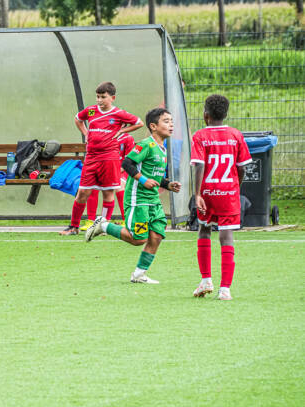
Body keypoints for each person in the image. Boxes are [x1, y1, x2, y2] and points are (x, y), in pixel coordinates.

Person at [85, 108, 182, 284]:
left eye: (171, 121)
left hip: (153, 200)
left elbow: (154, 174)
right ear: (153, 126)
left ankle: (139, 275)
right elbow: (127, 163)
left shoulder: (162, 148)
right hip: (139, 199)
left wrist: (167, 184)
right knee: (139, 239)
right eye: (166, 121)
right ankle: (104, 225)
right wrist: (143, 180)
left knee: (157, 236)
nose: (171, 124)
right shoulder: (146, 145)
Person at [190, 94, 252, 301]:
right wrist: (236, 186)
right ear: (225, 114)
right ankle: (225, 289)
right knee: (226, 237)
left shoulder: (199, 136)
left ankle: (206, 279)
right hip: (229, 194)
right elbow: (242, 167)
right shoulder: (235, 135)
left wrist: (197, 194)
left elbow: (199, 164)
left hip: (207, 194)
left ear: (205, 115)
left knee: (204, 230)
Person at [60, 82, 143, 236]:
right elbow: (78, 118)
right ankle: (73, 226)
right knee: (83, 192)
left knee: (108, 193)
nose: (99, 100)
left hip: (109, 158)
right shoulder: (91, 111)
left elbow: (139, 123)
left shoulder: (118, 113)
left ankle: (102, 226)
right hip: (91, 157)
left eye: (103, 97)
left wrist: (122, 130)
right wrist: (86, 132)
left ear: (112, 97)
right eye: (97, 97)